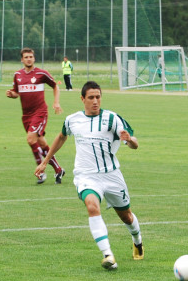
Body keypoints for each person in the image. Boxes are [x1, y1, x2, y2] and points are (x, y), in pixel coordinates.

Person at [35, 81, 143, 270]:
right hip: (86, 176)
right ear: (82, 99)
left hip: (111, 175)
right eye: (91, 97)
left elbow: (134, 143)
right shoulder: (72, 120)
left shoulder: (112, 118)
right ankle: (108, 255)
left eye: (98, 97)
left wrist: (130, 140)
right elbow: (61, 137)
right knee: (92, 206)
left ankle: (137, 240)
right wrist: (45, 161)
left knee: (126, 217)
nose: (95, 101)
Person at [6, 47, 65, 184]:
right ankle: (58, 169)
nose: (28, 59)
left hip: (40, 112)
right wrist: (12, 95)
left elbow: (55, 86)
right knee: (42, 143)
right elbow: (16, 93)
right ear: (22, 59)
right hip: (26, 115)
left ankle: (41, 172)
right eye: (26, 57)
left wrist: (56, 102)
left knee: (31, 139)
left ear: (34, 58)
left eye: (30, 57)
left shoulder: (41, 73)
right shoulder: (18, 75)